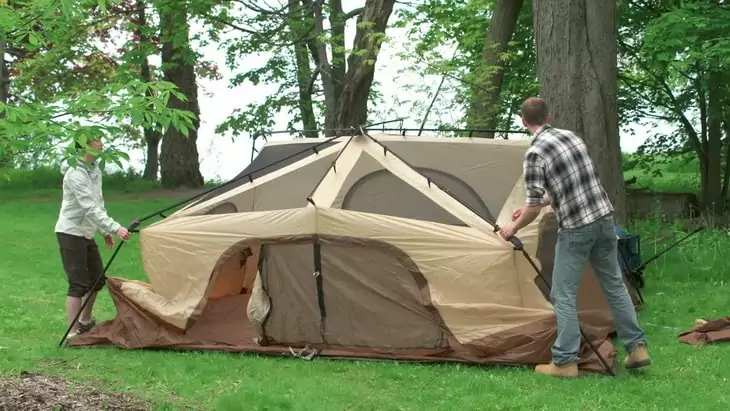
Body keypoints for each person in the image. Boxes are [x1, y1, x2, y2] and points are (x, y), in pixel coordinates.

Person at [499, 97, 650, 378]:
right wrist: (540, 203)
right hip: (604, 220)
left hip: (577, 229)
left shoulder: (534, 154)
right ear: (550, 116)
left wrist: (513, 228)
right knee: (615, 285)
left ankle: (565, 362)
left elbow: (531, 207)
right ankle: (637, 347)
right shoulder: (572, 138)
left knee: (563, 294)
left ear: (523, 122)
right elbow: (568, 185)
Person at [55, 134, 130, 341]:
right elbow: (88, 206)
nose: (102, 143)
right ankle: (71, 333)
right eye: (96, 139)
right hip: (70, 232)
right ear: (85, 144)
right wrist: (115, 227)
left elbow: (98, 203)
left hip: (86, 232)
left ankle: (85, 323)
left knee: (97, 279)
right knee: (78, 284)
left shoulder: (94, 169)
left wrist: (104, 231)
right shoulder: (74, 172)